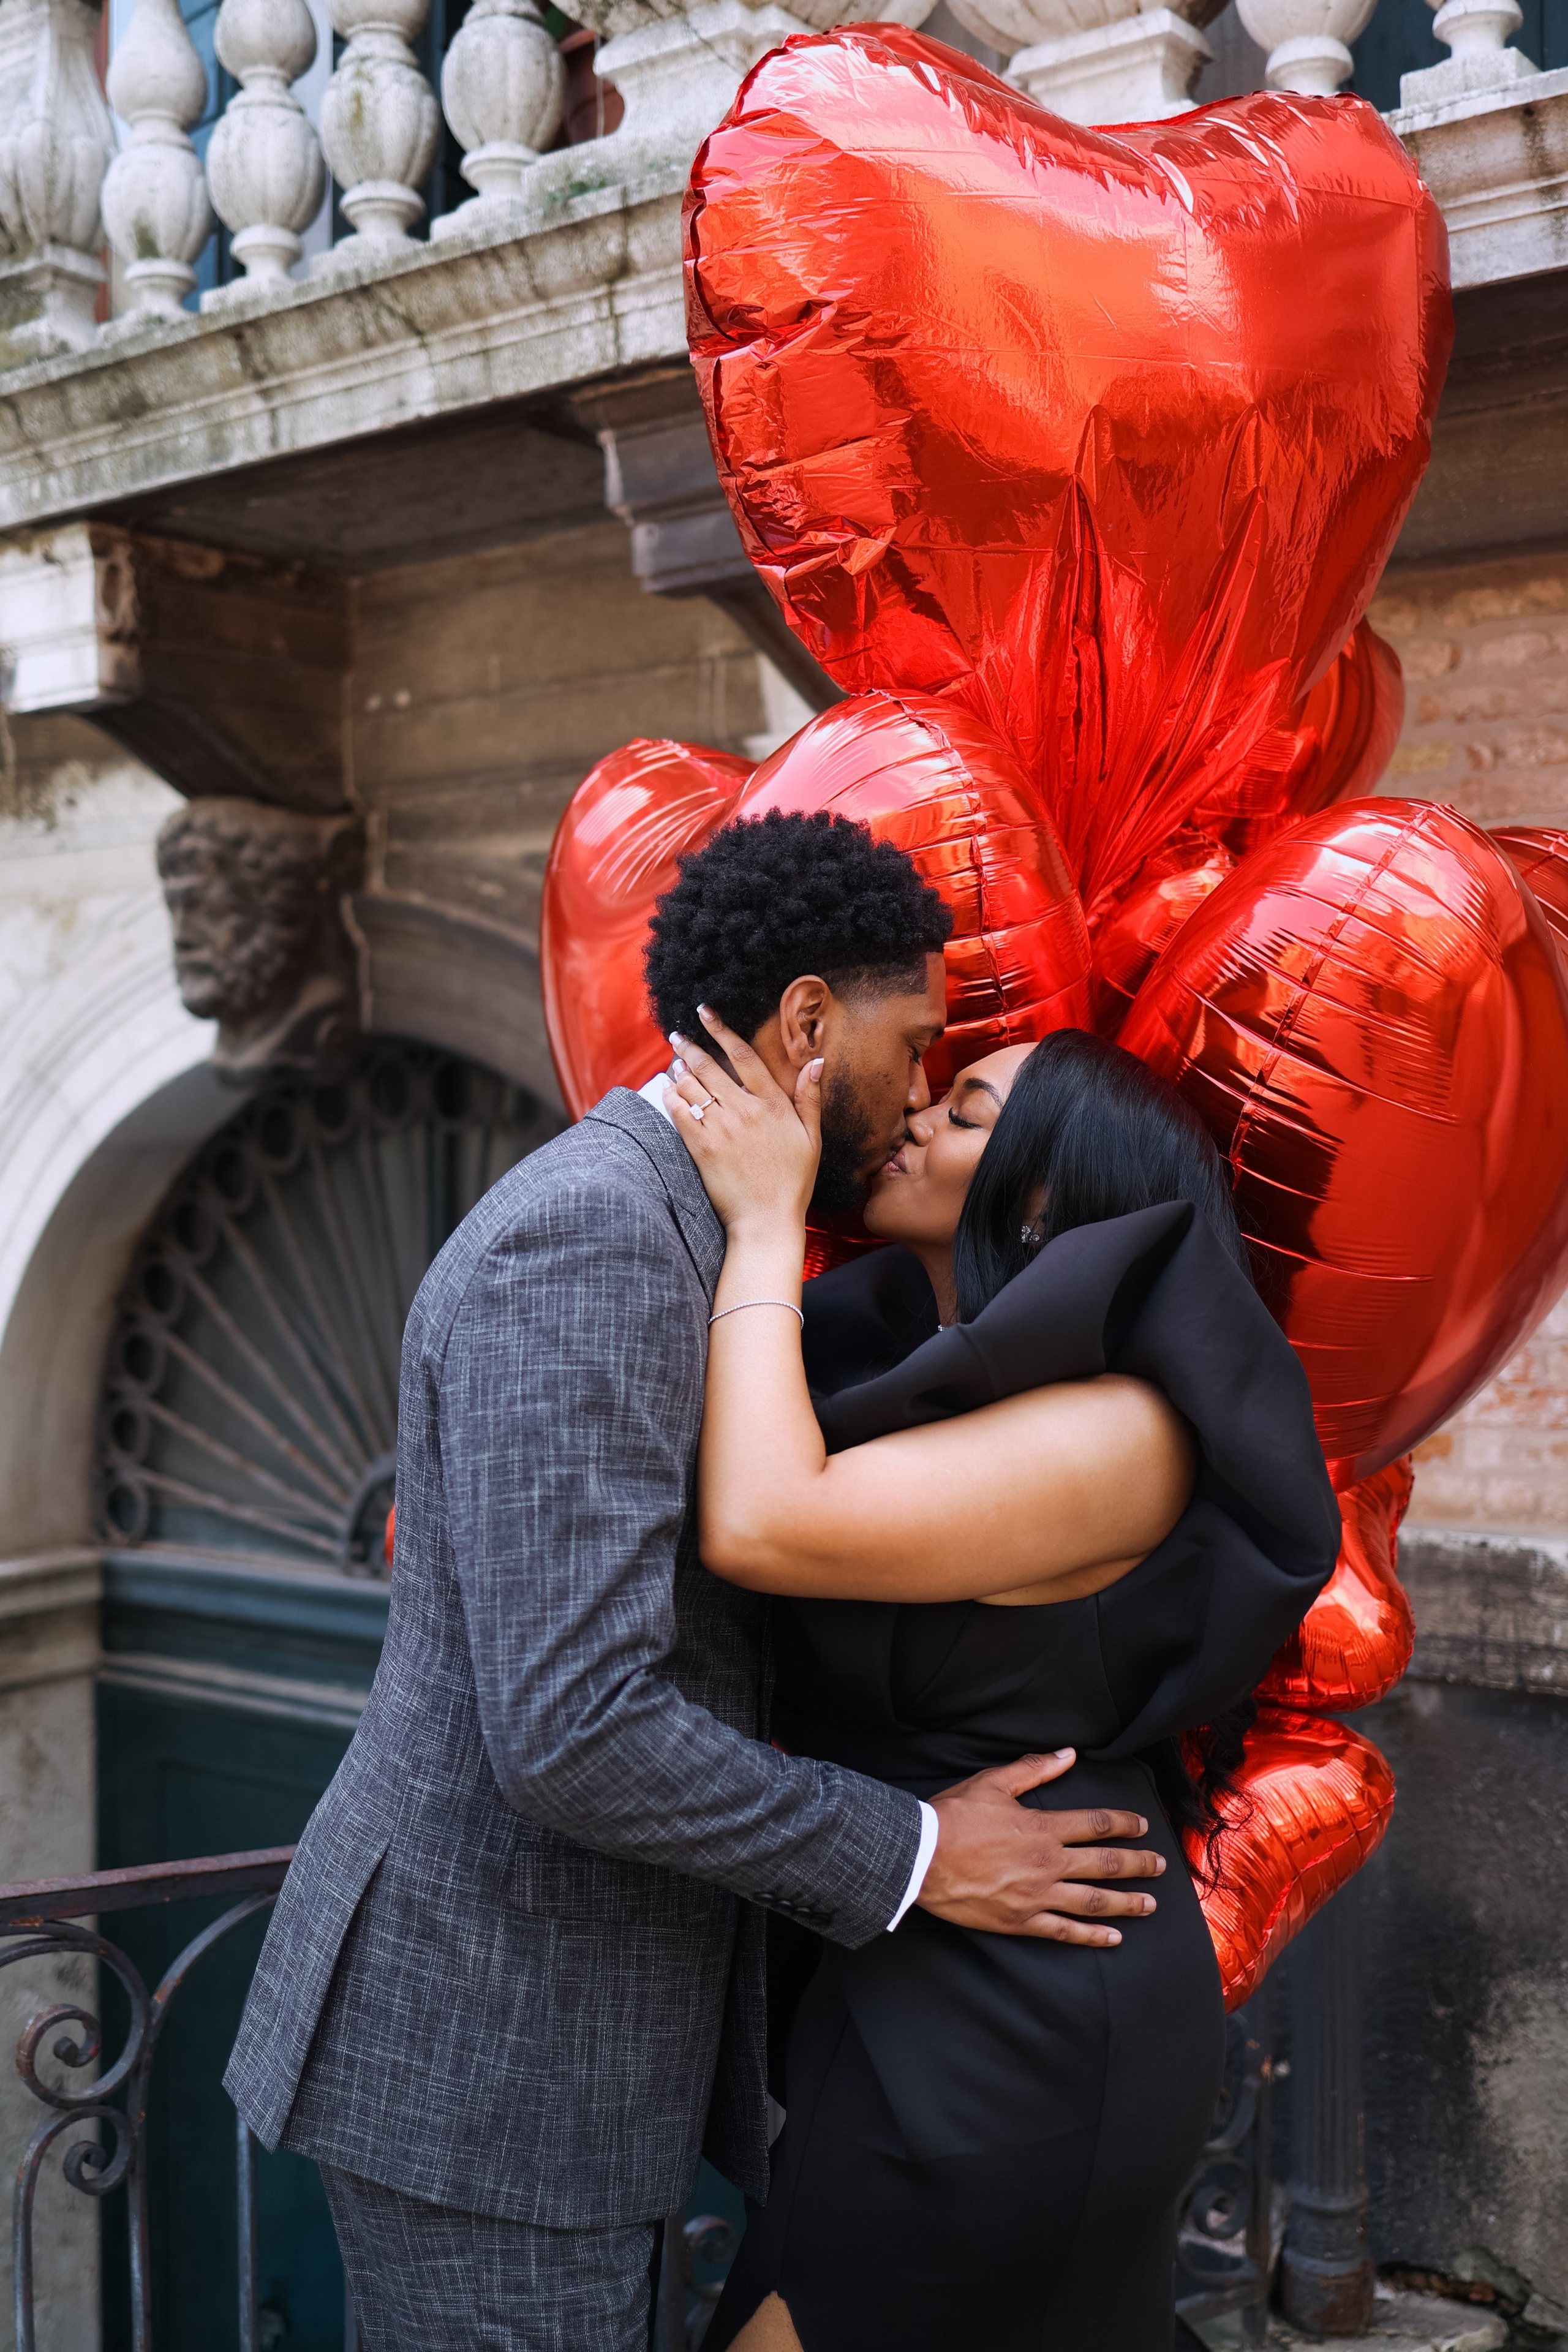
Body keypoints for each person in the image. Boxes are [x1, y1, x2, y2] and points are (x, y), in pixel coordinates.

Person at [224, 812, 1192, 2352]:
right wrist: (917, 1855)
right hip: (489, 2070)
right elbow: (574, 1727)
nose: (918, 1091)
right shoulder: (596, 1241)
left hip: (569, 2050)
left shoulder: (697, 1231)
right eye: (913, 1043)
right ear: (808, 1024)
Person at [660, 1014, 1340, 2352]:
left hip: (1018, 2013)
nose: (915, 1115)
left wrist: (764, 1221)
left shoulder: (1120, 1427)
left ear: (1039, 1200)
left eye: (965, 1112)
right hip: (915, 1955)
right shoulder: (937, 1384)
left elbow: (762, 1523)